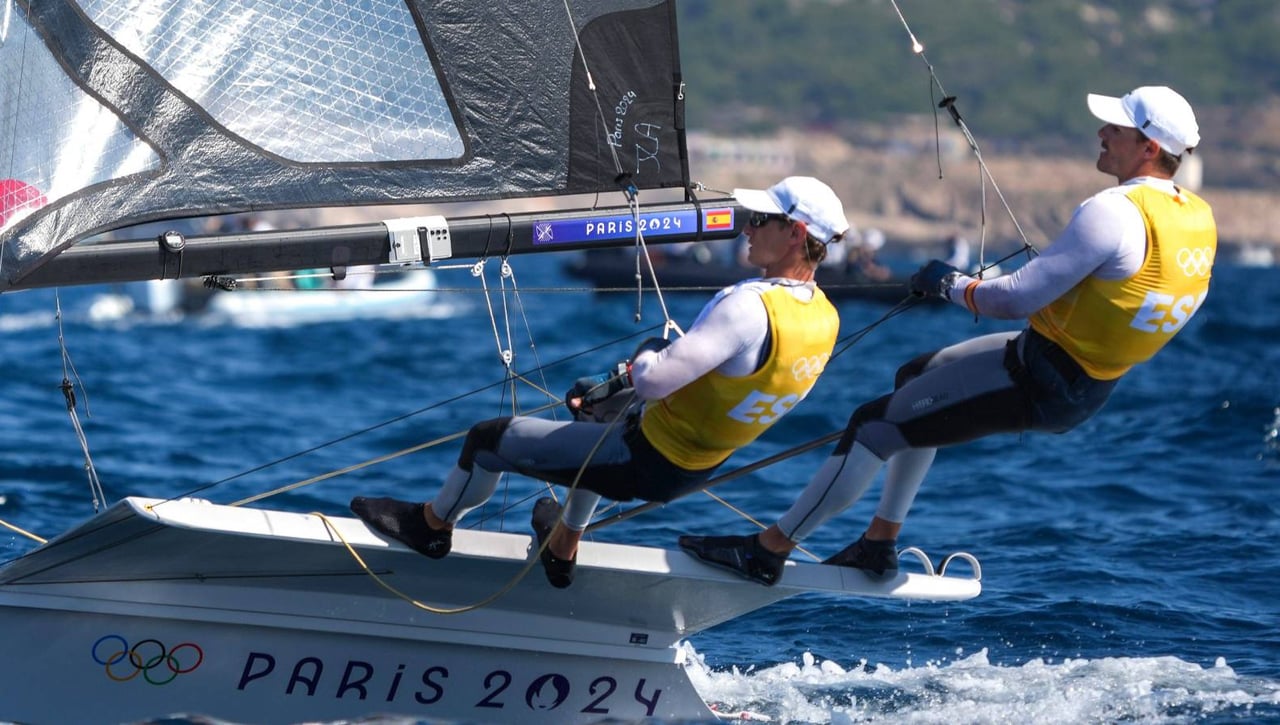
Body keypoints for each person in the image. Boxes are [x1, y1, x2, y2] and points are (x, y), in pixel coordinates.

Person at [679, 85, 1217, 585]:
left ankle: (767, 552)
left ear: (1147, 147)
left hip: (1043, 375)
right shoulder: (1197, 217)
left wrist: (949, 284)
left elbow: (1010, 300)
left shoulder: (1114, 212)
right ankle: (878, 543)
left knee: (873, 425)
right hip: (1081, 377)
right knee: (918, 375)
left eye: (1115, 130)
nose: (1101, 134)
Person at [350, 176, 849, 588]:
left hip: (641, 457)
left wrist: (642, 355)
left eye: (760, 220)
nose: (747, 228)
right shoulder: (824, 318)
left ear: (794, 232)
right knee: (595, 408)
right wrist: (619, 386)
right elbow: (728, 382)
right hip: (695, 467)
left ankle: (432, 527)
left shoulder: (747, 306)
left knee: (485, 439)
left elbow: (655, 380)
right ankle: (563, 547)